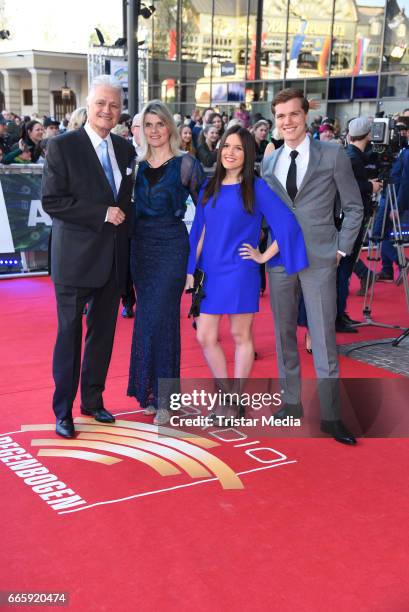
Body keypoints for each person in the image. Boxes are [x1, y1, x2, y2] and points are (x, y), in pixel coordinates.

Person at [262, 88, 363, 445]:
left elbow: (354, 207)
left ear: (306, 116)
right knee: (283, 333)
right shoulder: (269, 162)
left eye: (293, 114)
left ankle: (332, 415)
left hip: (321, 259)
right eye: (281, 116)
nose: (287, 122)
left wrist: (340, 250)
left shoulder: (333, 155)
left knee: (322, 337)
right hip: (279, 259)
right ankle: (291, 403)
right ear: (276, 120)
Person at [186, 125, 308, 410]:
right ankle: (228, 393)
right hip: (210, 272)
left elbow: (288, 224)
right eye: (226, 146)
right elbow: (200, 232)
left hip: (240, 271)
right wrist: (191, 269)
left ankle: (234, 399)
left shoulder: (257, 188)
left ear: (247, 153)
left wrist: (264, 256)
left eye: (238, 148)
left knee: (241, 336)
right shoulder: (209, 185)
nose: (230, 152)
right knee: (204, 335)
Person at [41, 75, 136, 438]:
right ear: (88, 104)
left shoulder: (126, 150)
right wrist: (101, 213)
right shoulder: (63, 146)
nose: (107, 110)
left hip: (112, 261)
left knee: (103, 335)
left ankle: (92, 401)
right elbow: (53, 202)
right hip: (74, 261)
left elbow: (125, 206)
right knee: (69, 335)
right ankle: (62, 411)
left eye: (114, 105)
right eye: (101, 103)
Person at [127, 100, 205, 425]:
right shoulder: (136, 165)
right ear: (141, 130)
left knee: (164, 319)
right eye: (148, 125)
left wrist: (196, 259)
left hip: (172, 248)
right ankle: (147, 392)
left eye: (160, 124)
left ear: (170, 128)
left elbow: (206, 211)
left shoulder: (186, 164)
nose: (154, 131)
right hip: (140, 250)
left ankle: (166, 400)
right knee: (146, 319)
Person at [338, 117, 382, 332]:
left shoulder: (351, 154)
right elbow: (351, 186)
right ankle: (338, 315)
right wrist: (369, 186)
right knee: (344, 268)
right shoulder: (354, 158)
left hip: (349, 218)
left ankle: (340, 313)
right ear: (368, 135)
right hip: (352, 219)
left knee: (345, 268)